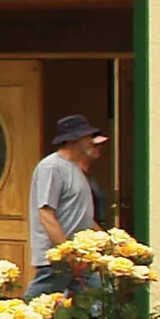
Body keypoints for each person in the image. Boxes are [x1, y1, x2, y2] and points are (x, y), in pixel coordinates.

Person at [26, 114, 108, 297]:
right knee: (36, 310)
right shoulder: (52, 168)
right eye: (87, 137)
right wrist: (67, 254)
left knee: (97, 303)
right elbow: (46, 216)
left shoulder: (75, 168)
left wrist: (109, 243)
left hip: (80, 257)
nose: (90, 141)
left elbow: (83, 215)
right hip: (56, 259)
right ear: (73, 140)